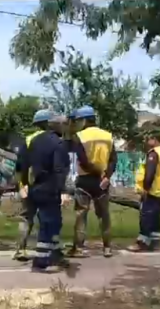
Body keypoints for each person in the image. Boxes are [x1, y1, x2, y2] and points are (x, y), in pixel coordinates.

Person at [20, 112, 71, 272]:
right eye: (64, 125)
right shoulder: (58, 143)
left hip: (35, 188)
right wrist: (63, 191)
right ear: (58, 126)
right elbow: (59, 169)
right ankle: (41, 260)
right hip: (50, 189)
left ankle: (55, 254)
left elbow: (24, 164)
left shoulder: (35, 140)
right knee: (49, 223)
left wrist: (24, 184)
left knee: (53, 222)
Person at [66, 105, 116, 258]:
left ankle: (78, 248)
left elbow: (83, 161)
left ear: (84, 120)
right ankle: (107, 248)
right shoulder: (108, 136)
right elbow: (113, 160)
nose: (77, 124)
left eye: (78, 121)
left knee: (81, 215)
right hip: (102, 182)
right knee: (104, 216)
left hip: (85, 180)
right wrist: (106, 176)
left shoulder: (79, 136)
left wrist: (98, 172)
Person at [13, 109, 55, 261]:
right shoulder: (54, 140)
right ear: (48, 123)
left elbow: (20, 166)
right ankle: (50, 251)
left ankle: (20, 250)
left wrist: (22, 185)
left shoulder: (28, 140)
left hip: (30, 186)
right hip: (48, 187)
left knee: (26, 218)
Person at [129, 129, 160, 252]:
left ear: (154, 140)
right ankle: (155, 243)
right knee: (154, 217)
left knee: (146, 217)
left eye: (148, 139)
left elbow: (150, 173)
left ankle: (142, 243)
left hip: (152, 190)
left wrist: (145, 189)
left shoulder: (154, 153)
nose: (146, 142)